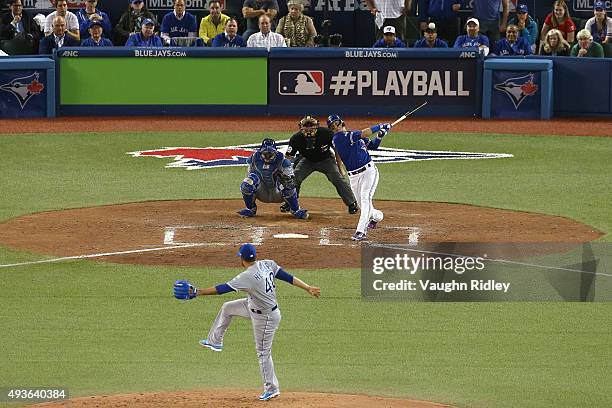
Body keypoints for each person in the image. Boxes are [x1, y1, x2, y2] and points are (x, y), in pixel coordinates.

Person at [173, 243, 320, 402]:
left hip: (265, 318)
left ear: (241, 259)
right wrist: (307, 287)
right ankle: (215, 341)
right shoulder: (267, 264)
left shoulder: (247, 276)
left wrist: (197, 292)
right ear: (255, 256)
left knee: (263, 352)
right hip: (254, 306)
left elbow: (223, 289)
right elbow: (287, 277)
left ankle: (271, 389)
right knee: (228, 308)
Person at [328, 115, 391, 241]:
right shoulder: (339, 138)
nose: (336, 126)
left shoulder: (352, 136)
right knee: (364, 206)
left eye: (337, 123)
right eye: (333, 125)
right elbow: (365, 132)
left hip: (369, 172)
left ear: (341, 122)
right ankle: (377, 217)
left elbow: (373, 146)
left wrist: (380, 136)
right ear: (332, 129)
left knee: (365, 198)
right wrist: (381, 126)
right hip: (354, 177)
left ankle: (361, 231)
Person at [279, 115, 358, 215]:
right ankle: (290, 203)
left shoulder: (326, 133)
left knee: (337, 178)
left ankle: (352, 203)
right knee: (295, 178)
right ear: (301, 127)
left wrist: (340, 166)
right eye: (306, 126)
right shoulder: (296, 138)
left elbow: (336, 150)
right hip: (307, 160)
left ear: (317, 126)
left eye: (311, 126)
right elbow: (288, 157)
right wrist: (284, 172)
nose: (308, 129)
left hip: (326, 160)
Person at [237, 138, 308, 219]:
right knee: (247, 183)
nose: (268, 157)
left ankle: (296, 210)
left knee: (287, 182)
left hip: (278, 192)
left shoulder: (283, 161)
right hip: (262, 192)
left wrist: (284, 179)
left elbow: (291, 179)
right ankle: (250, 209)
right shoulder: (253, 159)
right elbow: (250, 175)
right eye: (265, 154)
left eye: (270, 154)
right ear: (261, 153)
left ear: (275, 152)